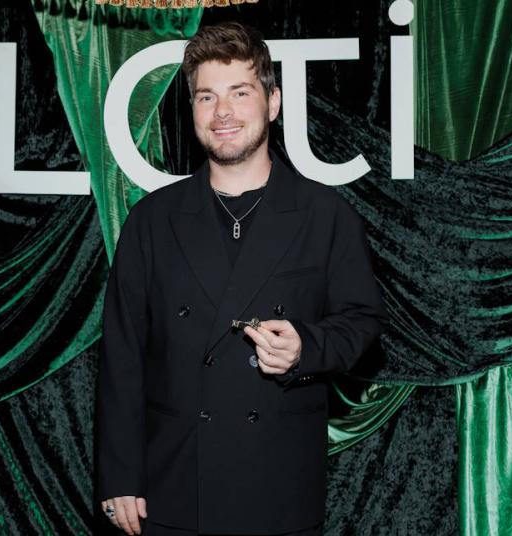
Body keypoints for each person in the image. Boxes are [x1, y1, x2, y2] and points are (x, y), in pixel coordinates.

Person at [96, 21, 387, 536]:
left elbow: (363, 322)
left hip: (278, 486)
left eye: (240, 92)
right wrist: (119, 474)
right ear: (192, 110)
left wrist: (306, 347)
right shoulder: (152, 221)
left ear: (273, 103)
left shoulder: (325, 215)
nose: (223, 112)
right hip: (173, 487)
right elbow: (122, 356)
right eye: (206, 96)